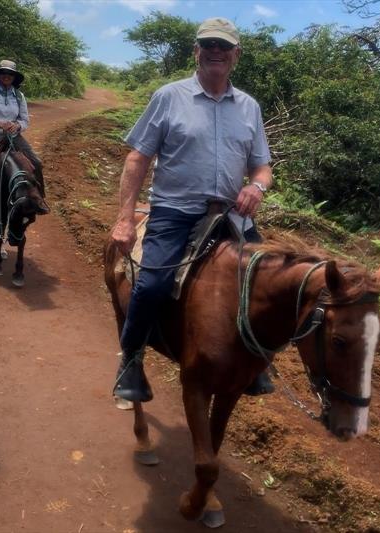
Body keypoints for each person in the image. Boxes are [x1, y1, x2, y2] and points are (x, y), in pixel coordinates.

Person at [111, 18, 274, 402]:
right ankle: (130, 362)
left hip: (232, 215)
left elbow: (262, 166)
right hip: (175, 211)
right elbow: (138, 158)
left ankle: (256, 363)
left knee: (269, 284)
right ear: (196, 51)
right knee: (150, 286)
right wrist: (124, 218)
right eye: (208, 45)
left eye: (223, 45)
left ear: (236, 55)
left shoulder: (249, 107)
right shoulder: (169, 96)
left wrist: (256, 185)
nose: (215, 51)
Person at [0, 59, 47, 216]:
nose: (7, 76)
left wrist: (17, 126)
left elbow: (24, 120)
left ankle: (40, 197)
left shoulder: (19, 96)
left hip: (13, 135)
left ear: (14, 77)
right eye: (4, 73)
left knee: (36, 162)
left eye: (10, 74)